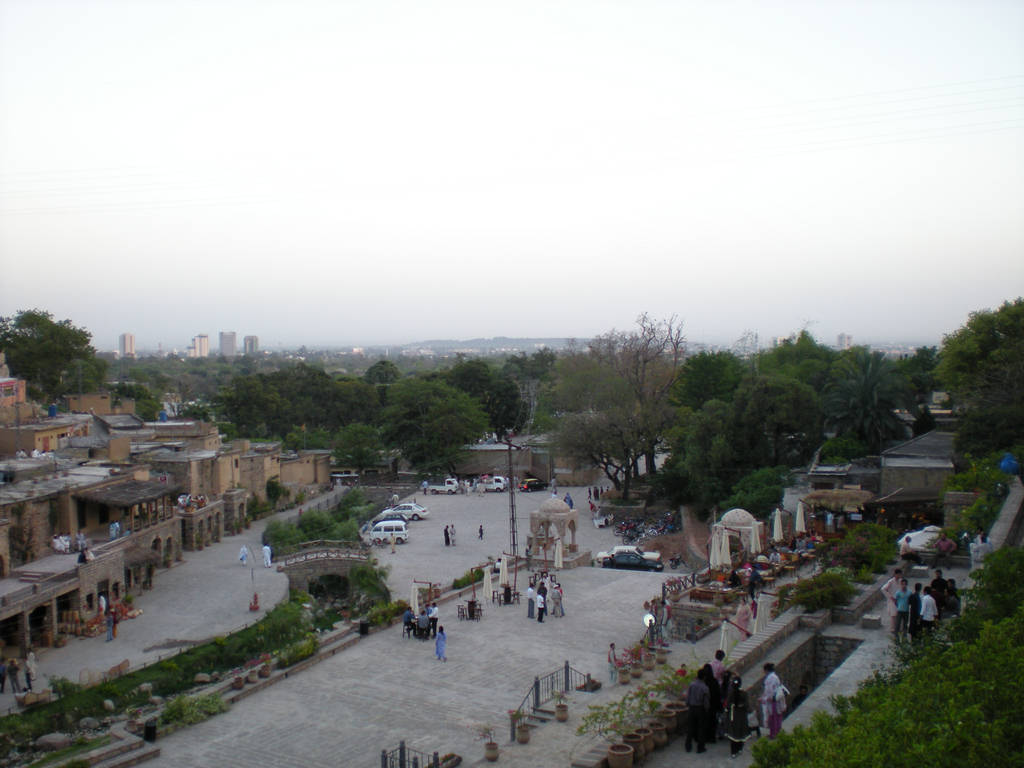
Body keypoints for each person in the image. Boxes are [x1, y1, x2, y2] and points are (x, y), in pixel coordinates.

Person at [724, 676, 752, 758]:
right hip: (742, 716)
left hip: (733, 716)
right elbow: (747, 705)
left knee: (733, 734)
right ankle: (739, 749)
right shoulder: (744, 693)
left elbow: (727, 706)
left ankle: (733, 752)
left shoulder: (731, 694)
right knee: (741, 733)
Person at [685, 668, 711, 753]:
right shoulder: (705, 688)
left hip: (692, 708)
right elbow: (706, 701)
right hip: (700, 708)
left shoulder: (692, 685)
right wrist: (707, 709)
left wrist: (688, 704)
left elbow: (688, 696)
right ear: (704, 677)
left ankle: (688, 746)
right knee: (701, 728)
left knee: (690, 727)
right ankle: (700, 747)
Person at [760, 663, 785, 739]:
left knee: (773, 717)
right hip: (775, 699)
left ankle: (774, 734)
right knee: (776, 717)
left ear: (766, 670)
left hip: (773, 700)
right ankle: (774, 733)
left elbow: (769, 690)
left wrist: (764, 698)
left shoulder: (770, 678)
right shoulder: (775, 677)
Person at [881, 568, 903, 633]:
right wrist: (890, 597)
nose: (899, 576)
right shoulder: (891, 582)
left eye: (900, 575)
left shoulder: (901, 581)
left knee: (899, 613)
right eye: (898, 574)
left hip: (899, 599)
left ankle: (900, 627)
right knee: (893, 614)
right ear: (895, 574)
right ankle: (893, 628)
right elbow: (883, 589)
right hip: (892, 600)